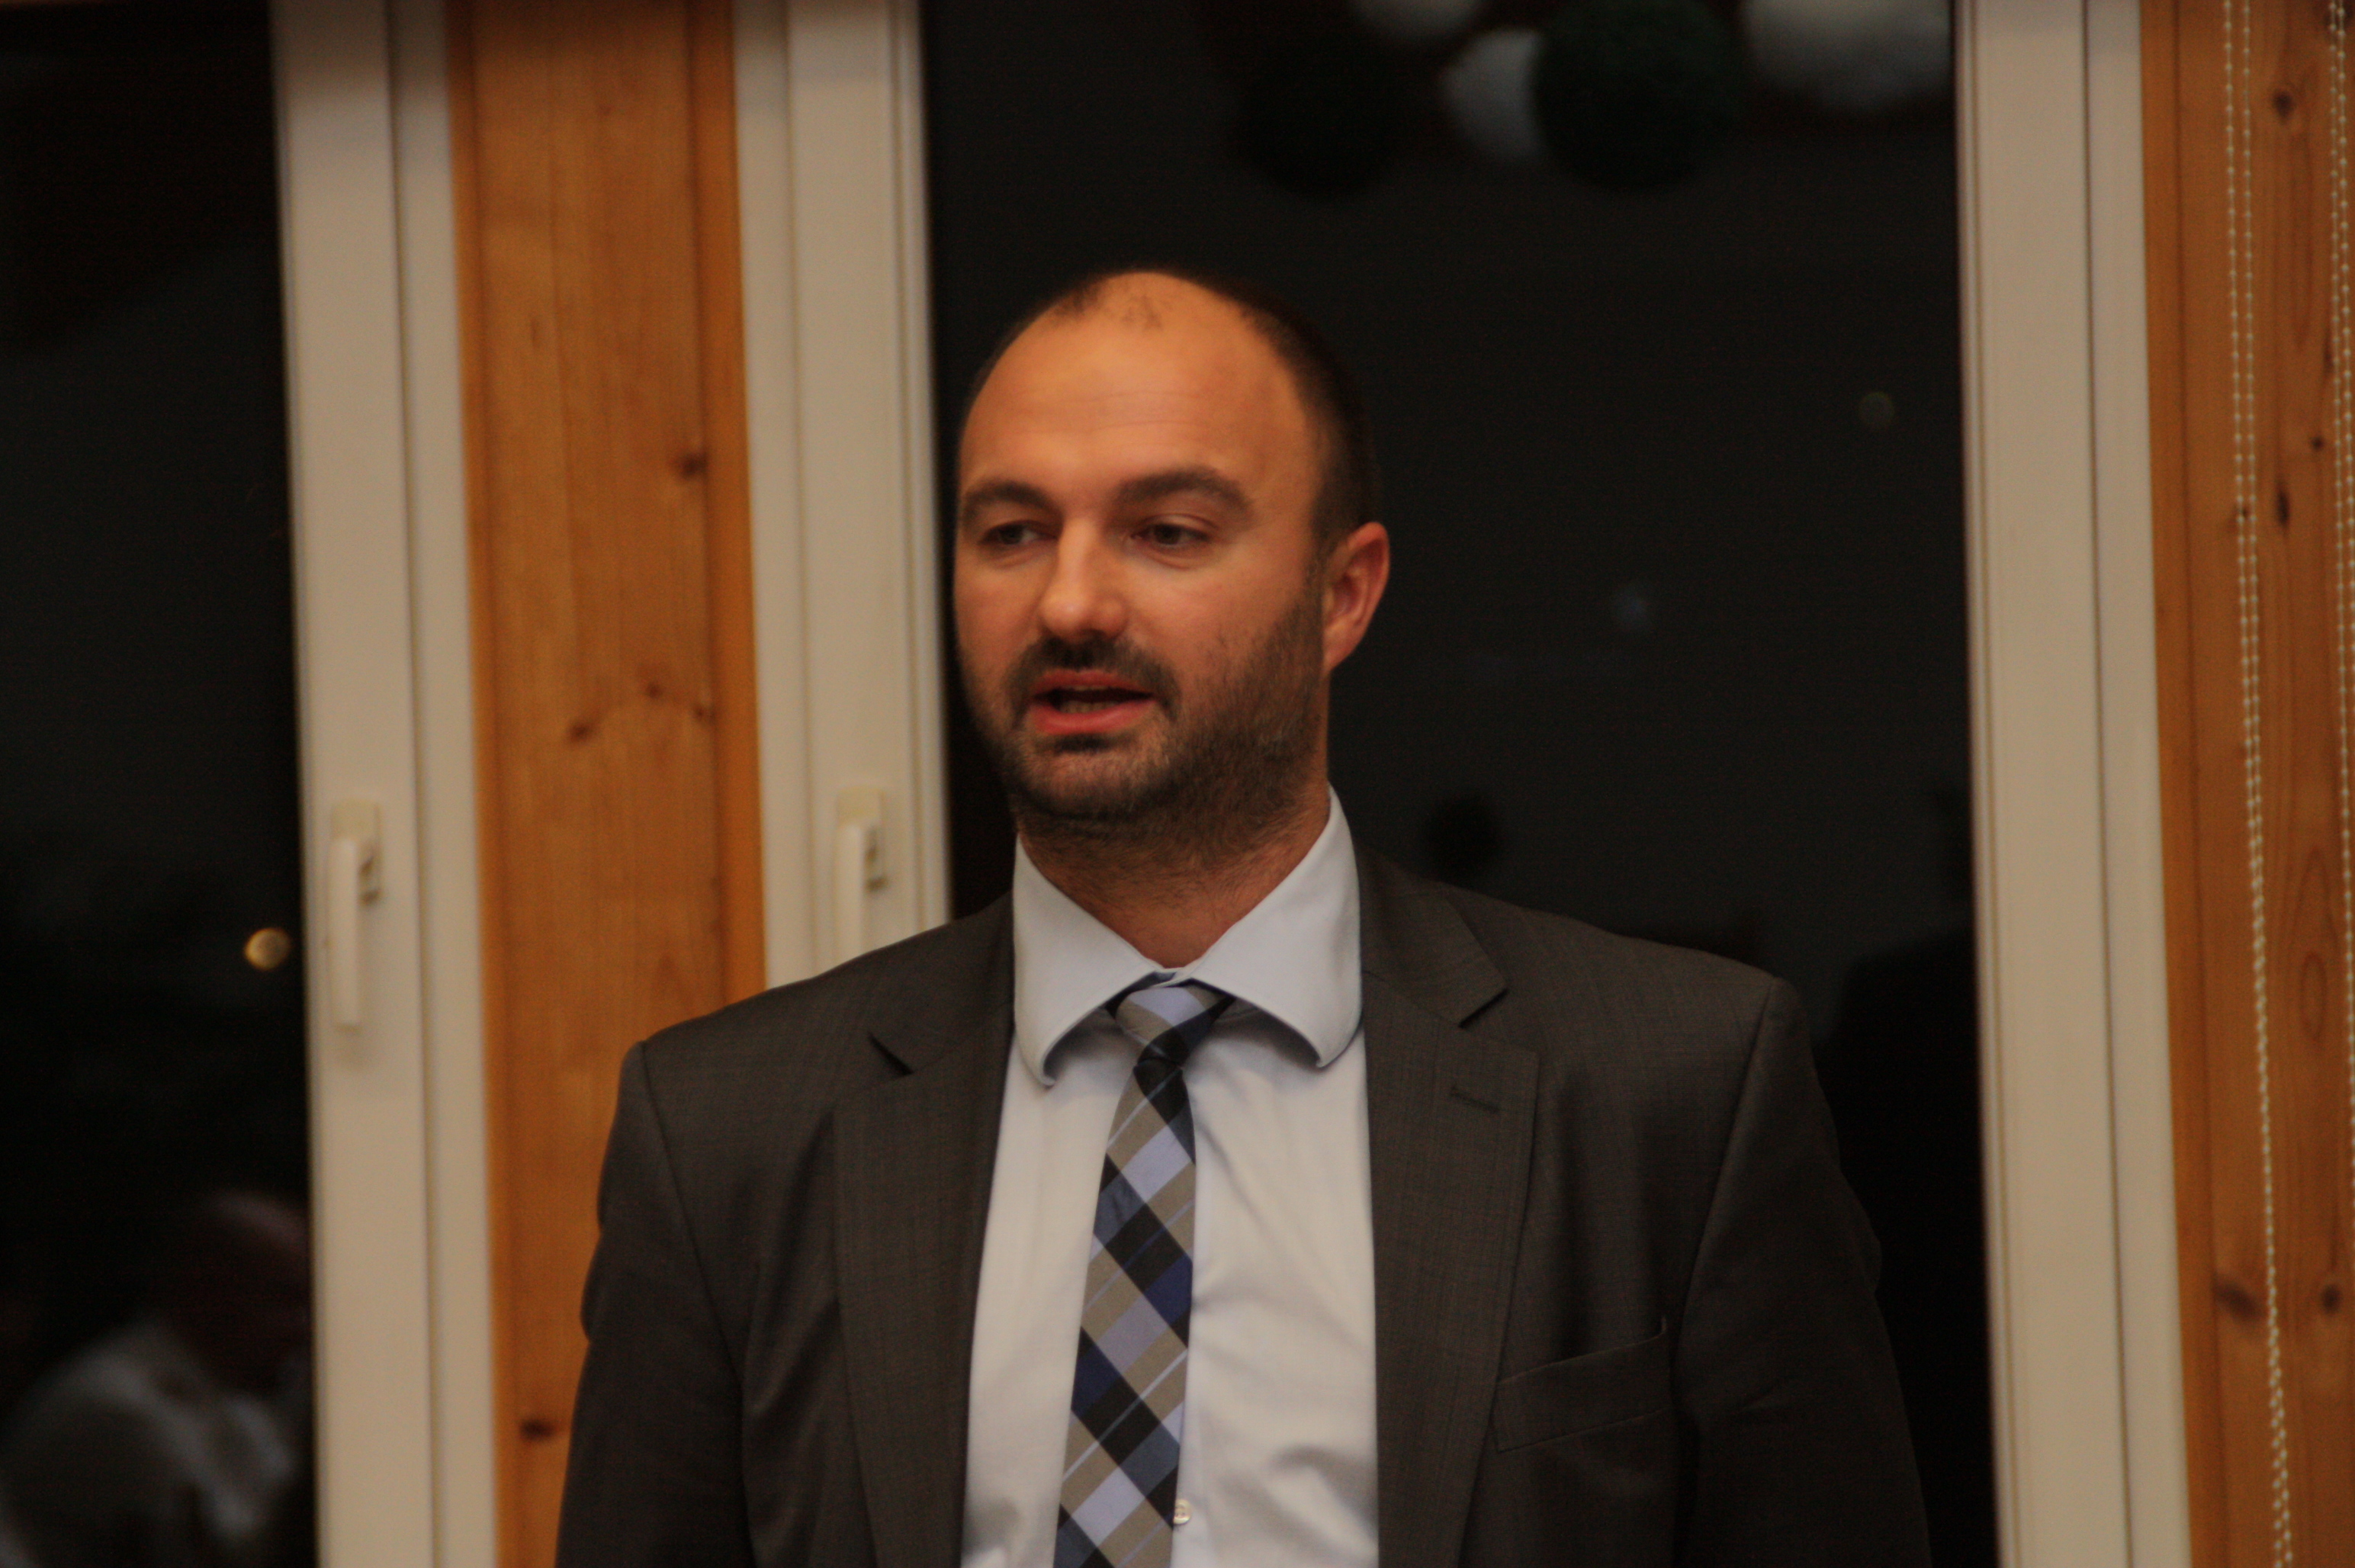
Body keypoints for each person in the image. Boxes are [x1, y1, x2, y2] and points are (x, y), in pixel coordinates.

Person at [556, 268, 1929, 1566]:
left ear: (1343, 593)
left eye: (1167, 531)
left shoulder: (1669, 1092)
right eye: (1012, 532)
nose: (1070, 601)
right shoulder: (728, 1135)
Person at [0, 1190, 311, 1568]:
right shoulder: (117, 1411)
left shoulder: (232, 1393)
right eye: (286, 1299)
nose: (305, 1328)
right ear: (208, 1288)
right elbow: (243, 1559)